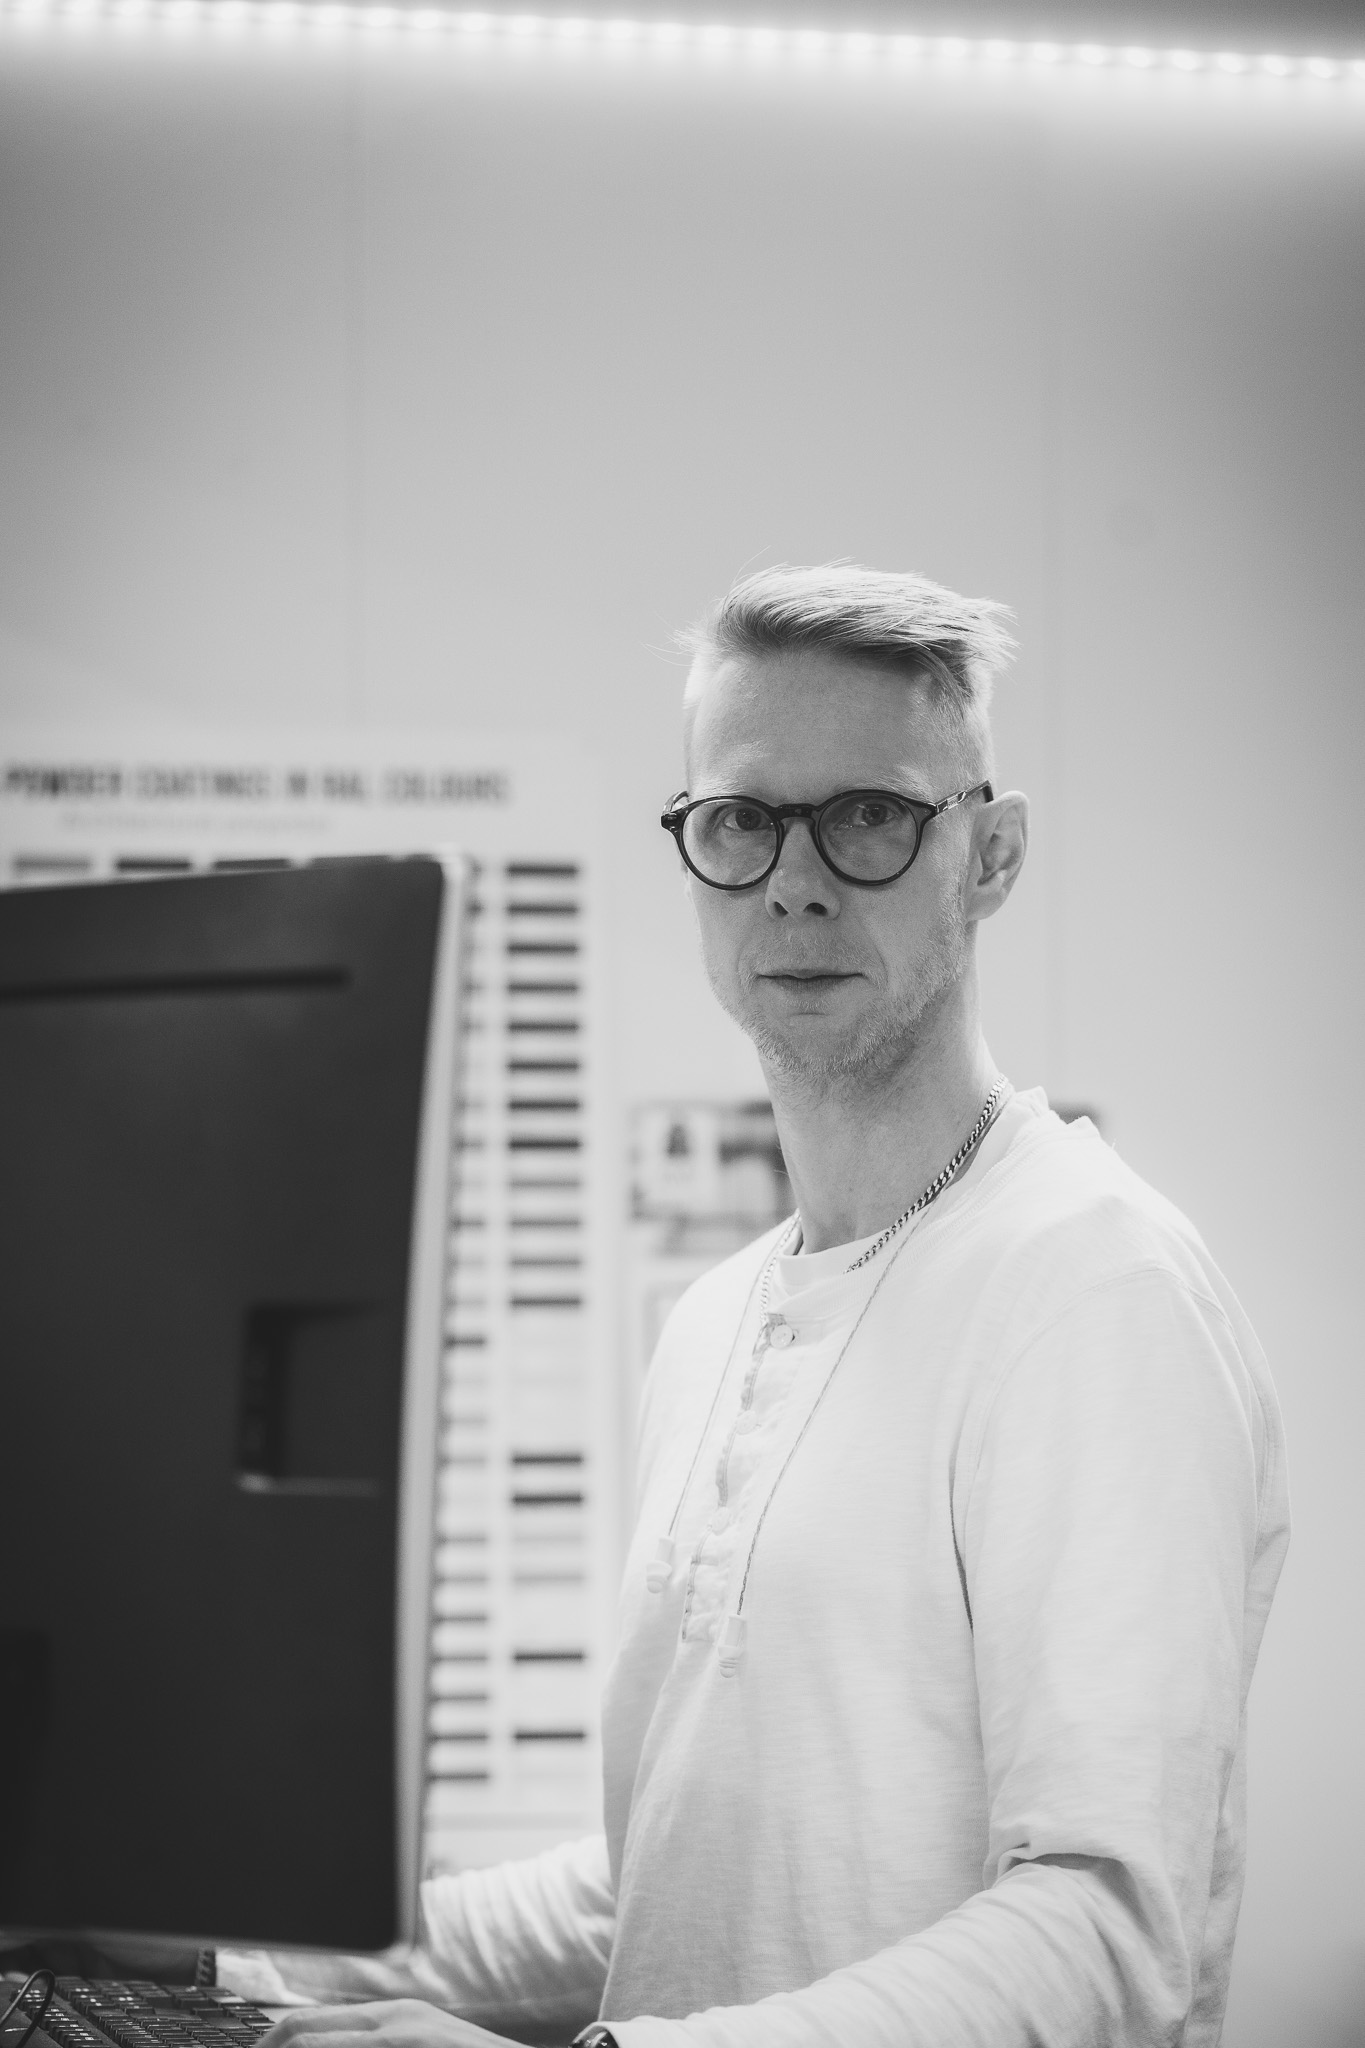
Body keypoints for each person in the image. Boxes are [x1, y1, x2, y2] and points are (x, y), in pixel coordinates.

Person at [235, 563, 1289, 2048]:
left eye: (868, 817)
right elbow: (657, 1887)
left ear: (990, 855)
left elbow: (1110, 1937)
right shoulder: (715, 1321)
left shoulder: (1092, 1286)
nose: (794, 882)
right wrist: (252, 1968)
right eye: (739, 820)